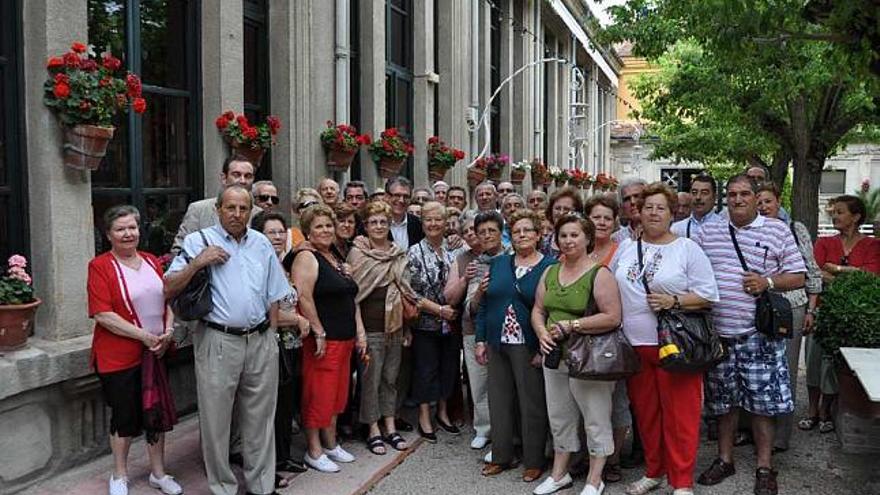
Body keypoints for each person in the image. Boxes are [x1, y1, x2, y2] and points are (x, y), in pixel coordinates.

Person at [164, 185, 291, 495]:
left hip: (260, 339)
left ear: (250, 211)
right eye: (230, 208)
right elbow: (168, 287)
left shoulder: (261, 243)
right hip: (218, 341)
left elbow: (275, 293)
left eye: (243, 208)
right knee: (217, 423)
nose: (237, 214)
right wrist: (197, 262)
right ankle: (223, 487)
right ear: (218, 209)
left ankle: (262, 486)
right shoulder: (198, 241)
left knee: (260, 419)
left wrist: (272, 337)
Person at [694, 174, 805, 495]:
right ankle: (725, 460)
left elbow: (798, 276)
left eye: (744, 194)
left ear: (757, 198)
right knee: (723, 404)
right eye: (731, 194)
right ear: (724, 198)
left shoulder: (777, 230)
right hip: (719, 335)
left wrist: (767, 283)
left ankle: (765, 466)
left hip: (760, 335)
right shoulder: (709, 231)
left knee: (762, 405)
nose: (738, 199)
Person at [609, 183, 719, 495]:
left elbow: (709, 295)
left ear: (672, 214)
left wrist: (674, 301)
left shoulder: (687, 249)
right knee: (647, 415)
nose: (654, 212)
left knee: (680, 416)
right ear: (638, 212)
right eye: (648, 207)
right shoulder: (628, 248)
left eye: (661, 208)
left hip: (675, 346)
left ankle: (681, 481)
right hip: (635, 345)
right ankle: (654, 471)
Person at [88, 205, 181, 495]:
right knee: (125, 417)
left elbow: (167, 300)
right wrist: (144, 336)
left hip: (156, 353)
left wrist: (168, 330)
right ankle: (119, 474)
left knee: (156, 414)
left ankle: (158, 473)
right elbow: (103, 314)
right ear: (109, 235)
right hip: (118, 357)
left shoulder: (153, 260)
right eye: (120, 229)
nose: (128, 233)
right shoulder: (100, 266)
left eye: (132, 227)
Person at [531, 213, 622, 495]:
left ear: (587, 239)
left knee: (595, 416)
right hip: (555, 354)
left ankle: (595, 478)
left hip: (588, 356)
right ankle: (560, 474)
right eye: (563, 236)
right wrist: (542, 333)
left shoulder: (599, 273)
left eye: (574, 235)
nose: (568, 241)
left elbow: (613, 317)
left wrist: (574, 325)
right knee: (559, 415)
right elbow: (538, 309)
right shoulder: (550, 271)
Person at [475, 209, 554, 482]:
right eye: (517, 231)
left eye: (527, 230)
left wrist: (544, 347)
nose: (521, 235)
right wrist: (480, 340)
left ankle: (533, 459)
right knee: (499, 401)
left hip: (528, 344)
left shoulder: (549, 266)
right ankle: (501, 455)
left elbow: (551, 310)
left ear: (538, 234)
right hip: (498, 341)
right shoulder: (499, 264)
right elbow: (485, 304)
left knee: (531, 402)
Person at [290, 204, 362, 473]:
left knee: (337, 395)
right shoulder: (307, 256)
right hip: (323, 339)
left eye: (328, 225)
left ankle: (330, 443)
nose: (325, 230)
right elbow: (304, 297)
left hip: (344, 338)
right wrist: (318, 330)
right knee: (318, 395)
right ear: (307, 231)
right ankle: (313, 449)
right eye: (318, 226)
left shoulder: (332, 254)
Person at [804, 195, 880, 433]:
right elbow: (815, 274)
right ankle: (812, 410)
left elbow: (871, 276)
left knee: (834, 364)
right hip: (822, 310)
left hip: (854, 318)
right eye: (833, 212)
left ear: (856, 217)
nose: (834, 216)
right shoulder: (824, 242)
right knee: (813, 361)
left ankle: (827, 410)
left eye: (840, 212)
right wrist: (852, 274)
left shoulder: (872, 245)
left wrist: (836, 268)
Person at [755, 184, 822, 450]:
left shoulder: (795, 228)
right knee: (759, 371)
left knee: (785, 371)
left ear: (778, 201)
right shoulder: (752, 229)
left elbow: (812, 272)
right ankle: (755, 431)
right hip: (759, 308)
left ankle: (780, 437)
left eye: (767, 201)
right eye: (758, 202)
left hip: (790, 307)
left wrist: (811, 310)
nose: (763, 207)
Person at [347, 201, 417, 455]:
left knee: (390, 379)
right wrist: (360, 333)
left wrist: (407, 328)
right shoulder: (357, 254)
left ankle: (390, 424)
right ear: (365, 226)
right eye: (373, 222)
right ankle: (373, 428)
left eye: (383, 222)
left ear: (390, 226)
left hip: (396, 328)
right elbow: (353, 295)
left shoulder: (398, 253)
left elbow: (406, 292)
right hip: (370, 328)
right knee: (370, 381)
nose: (378, 226)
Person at [251, 211, 310, 485]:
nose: (276, 237)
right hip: (269, 344)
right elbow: (264, 309)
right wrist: (297, 319)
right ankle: (267, 468)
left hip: (291, 344)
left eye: (279, 232)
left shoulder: (282, 263)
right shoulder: (257, 265)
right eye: (270, 232)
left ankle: (284, 457)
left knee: (286, 405)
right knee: (267, 411)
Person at [584, 194, 630, 483]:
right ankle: (587, 457)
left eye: (606, 218)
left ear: (615, 223)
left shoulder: (623, 250)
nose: (601, 222)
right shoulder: (574, 247)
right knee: (587, 402)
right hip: (580, 336)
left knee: (617, 401)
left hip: (614, 335)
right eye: (595, 217)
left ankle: (612, 459)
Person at [407, 201, 460, 443]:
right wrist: (439, 310)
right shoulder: (414, 252)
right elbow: (410, 293)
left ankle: (443, 412)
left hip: (451, 323)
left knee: (448, 368)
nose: (433, 224)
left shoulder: (453, 250)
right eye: (428, 219)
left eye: (438, 219)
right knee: (426, 370)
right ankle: (424, 416)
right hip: (426, 323)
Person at [444, 212, 491, 449]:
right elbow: (449, 297)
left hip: (500, 327)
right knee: (478, 381)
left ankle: (506, 428)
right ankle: (483, 428)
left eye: (476, 228)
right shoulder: (461, 259)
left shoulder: (503, 252)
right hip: (471, 328)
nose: (472, 234)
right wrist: (464, 278)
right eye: (466, 231)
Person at [172, 156, 260, 253]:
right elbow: (179, 251)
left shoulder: (259, 214)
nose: (242, 181)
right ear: (224, 178)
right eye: (236, 175)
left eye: (248, 176)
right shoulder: (199, 210)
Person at [671, 174, 719, 239]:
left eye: (704, 193)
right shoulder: (677, 229)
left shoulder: (726, 228)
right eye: (694, 192)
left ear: (715, 197)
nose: (698, 197)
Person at [540, 186, 583, 257]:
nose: (561, 213)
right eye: (557, 208)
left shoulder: (583, 242)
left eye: (566, 209)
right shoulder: (543, 243)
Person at [386, 176, 425, 250]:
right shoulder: (375, 224)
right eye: (397, 195)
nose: (401, 200)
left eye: (406, 196)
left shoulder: (418, 224)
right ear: (387, 197)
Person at [613, 178, 646, 243]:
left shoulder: (668, 232)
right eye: (627, 199)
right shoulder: (616, 239)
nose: (632, 202)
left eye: (637, 196)